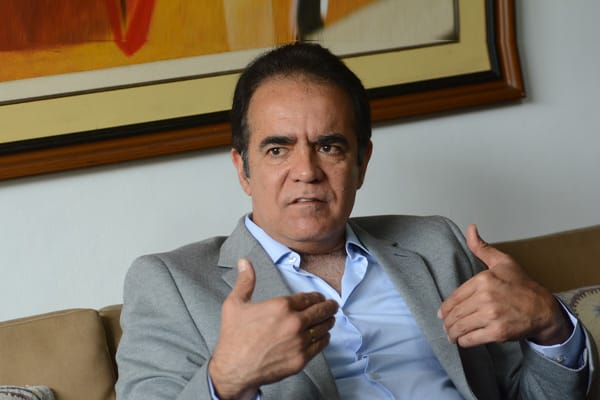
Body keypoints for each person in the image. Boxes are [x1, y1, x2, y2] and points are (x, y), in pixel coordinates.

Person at [115, 42, 595, 400]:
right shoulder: (173, 283)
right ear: (243, 169)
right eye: (278, 149)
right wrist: (226, 379)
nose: (306, 171)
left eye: (329, 146)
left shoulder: (436, 244)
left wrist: (551, 326)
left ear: (361, 163)